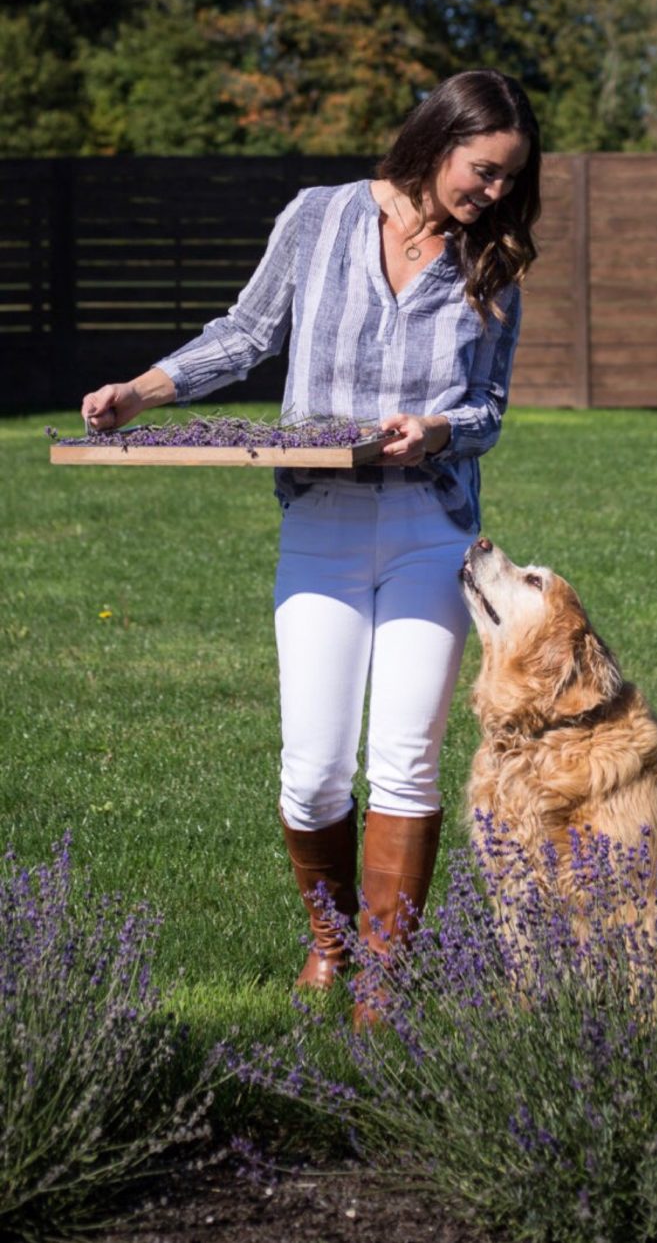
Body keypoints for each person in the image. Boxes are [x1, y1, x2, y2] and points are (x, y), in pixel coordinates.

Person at [80, 70, 542, 1028]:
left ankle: (384, 977)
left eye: (509, 180)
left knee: (406, 758)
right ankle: (331, 944)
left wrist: (441, 431)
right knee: (314, 767)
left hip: (431, 527)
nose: (494, 193)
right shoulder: (320, 216)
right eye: (483, 170)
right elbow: (248, 333)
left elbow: (489, 409)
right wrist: (142, 391)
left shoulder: (493, 261)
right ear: (438, 139)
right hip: (321, 525)